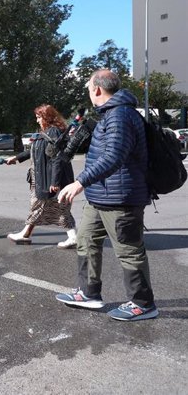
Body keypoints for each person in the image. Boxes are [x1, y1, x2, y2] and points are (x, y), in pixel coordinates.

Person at [55, 69, 157, 321]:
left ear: (97, 90)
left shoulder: (121, 116)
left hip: (122, 199)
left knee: (129, 250)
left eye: (89, 87)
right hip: (100, 196)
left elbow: (114, 156)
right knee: (86, 240)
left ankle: (143, 303)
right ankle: (88, 293)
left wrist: (79, 182)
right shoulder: (110, 115)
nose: (89, 92)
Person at [4, 105, 77, 248]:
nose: (37, 120)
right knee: (40, 207)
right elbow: (34, 150)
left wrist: (55, 181)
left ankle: (73, 237)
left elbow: (57, 158)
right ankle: (25, 234)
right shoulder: (46, 133)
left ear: (47, 117)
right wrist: (16, 158)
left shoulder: (54, 132)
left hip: (51, 179)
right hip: (42, 178)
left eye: (39, 117)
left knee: (57, 208)